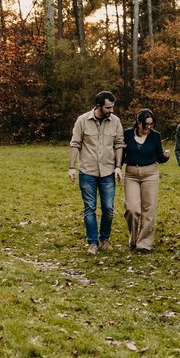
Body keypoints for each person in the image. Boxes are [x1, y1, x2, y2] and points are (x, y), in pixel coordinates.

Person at [68, 91, 125, 255]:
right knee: (89, 208)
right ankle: (92, 242)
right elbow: (75, 144)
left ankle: (104, 238)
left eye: (113, 107)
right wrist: (72, 167)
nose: (111, 110)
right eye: (108, 107)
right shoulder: (82, 121)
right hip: (88, 171)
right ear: (99, 106)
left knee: (108, 208)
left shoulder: (115, 122)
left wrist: (118, 167)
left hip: (108, 171)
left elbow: (119, 144)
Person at [121, 109, 171, 253]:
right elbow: (122, 155)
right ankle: (133, 238)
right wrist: (117, 167)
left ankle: (144, 244)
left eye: (151, 124)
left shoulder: (155, 136)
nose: (149, 127)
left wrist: (165, 156)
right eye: (146, 124)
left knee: (148, 210)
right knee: (131, 208)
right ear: (138, 122)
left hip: (150, 174)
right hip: (131, 174)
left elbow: (159, 158)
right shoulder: (127, 134)